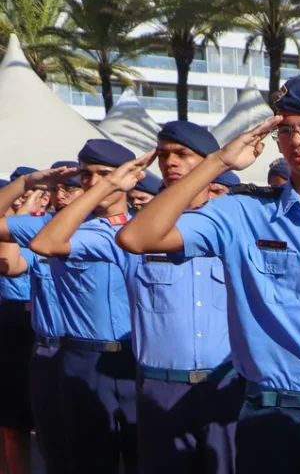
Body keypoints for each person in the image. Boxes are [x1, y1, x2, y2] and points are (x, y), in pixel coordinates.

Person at [115, 79, 300, 474]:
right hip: (271, 418)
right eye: (286, 131)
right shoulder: (243, 213)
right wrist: (218, 162)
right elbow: (136, 237)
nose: (297, 140)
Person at [31, 121, 244, 474]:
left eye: (182, 154)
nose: (170, 162)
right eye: (164, 155)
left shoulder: (236, 226)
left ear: (210, 163)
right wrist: (107, 186)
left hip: (226, 386)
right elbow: (45, 243)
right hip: (161, 387)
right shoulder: (130, 232)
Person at [2, 140, 139, 473]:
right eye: (87, 175)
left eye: (105, 174)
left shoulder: (146, 226)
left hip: (136, 358)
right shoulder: (53, 226)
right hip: (80, 357)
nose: (95, 182)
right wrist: (25, 184)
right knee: (80, 461)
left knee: (143, 460)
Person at [0, 166, 46, 474]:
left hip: (36, 324)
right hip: (10, 319)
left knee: (33, 422)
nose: (22, 202)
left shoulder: (49, 228)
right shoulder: (12, 227)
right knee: (11, 420)